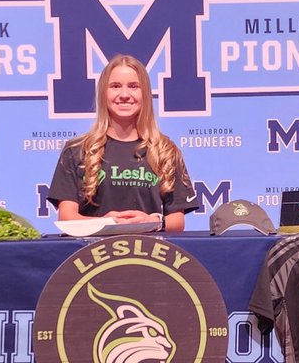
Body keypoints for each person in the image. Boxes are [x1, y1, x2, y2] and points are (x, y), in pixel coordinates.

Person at [47, 54, 198, 231]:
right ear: (104, 93)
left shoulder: (165, 150)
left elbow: (177, 222)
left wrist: (153, 221)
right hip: (93, 256)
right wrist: (103, 223)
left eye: (134, 86)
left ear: (146, 94)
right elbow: (66, 218)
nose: (124, 94)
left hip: (151, 256)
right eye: (115, 86)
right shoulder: (77, 150)